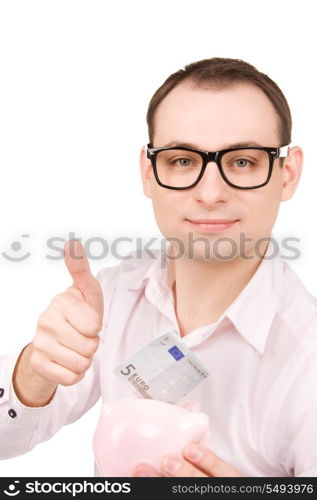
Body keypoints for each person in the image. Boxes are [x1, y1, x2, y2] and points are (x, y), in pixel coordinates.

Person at [0, 57, 316, 478]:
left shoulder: (307, 358)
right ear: (149, 174)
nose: (209, 193)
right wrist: (33, 371)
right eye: (183, 161)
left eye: (243, 161)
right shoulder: (109, 299)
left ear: (287, 174)